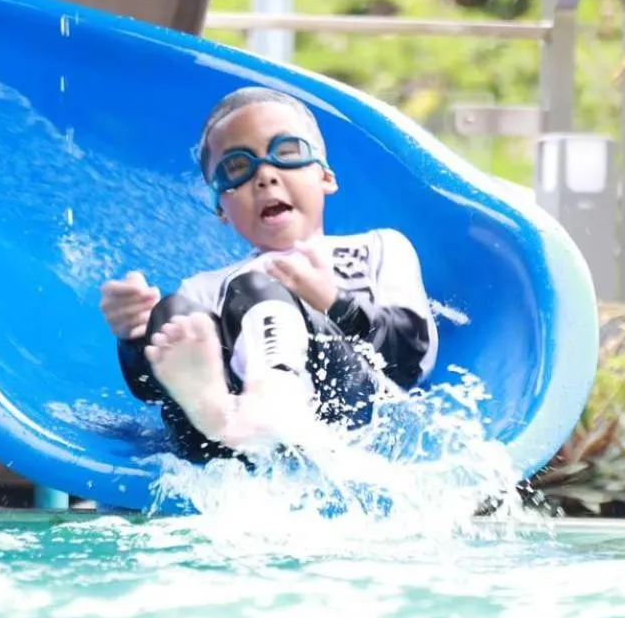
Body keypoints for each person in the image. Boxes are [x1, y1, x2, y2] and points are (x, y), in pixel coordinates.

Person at [100, 86, 437, 461]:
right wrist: (134, 337)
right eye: (237, 168)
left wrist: (336, 304)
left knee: (255, 287)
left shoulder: (378, 248)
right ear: (222, 209)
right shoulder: (204, 289)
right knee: (175, 312)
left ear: (325, 176)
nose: (264, 176)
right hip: (227, 444)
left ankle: (270, 396)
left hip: (346, 418)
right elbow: (153, 390)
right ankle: (215, 410)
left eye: (287, 152)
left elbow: (411, 358)